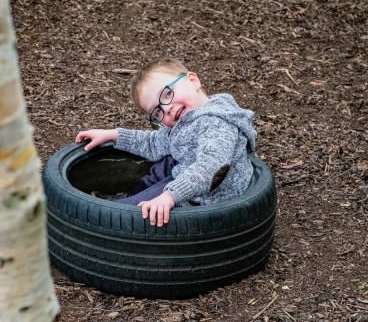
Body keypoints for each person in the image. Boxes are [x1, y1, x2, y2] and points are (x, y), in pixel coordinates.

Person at [75, 58, 257, 227]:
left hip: (209, 199)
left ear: (193, 81)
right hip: (186, 178)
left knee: (125, 215)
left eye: (168, 94)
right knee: (165, 161)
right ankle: (132, 194)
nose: (167, 109)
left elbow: (210, 168)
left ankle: (116, 208)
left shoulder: (217, 122)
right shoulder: (187, 120)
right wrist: (114, 135)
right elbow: (155, 142)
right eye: (157, 112)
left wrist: (169, 196)